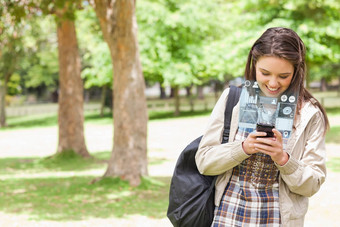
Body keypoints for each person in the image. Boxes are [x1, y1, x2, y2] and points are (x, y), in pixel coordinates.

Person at [195, 27, 329, 227]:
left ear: (296, 71)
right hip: (227, 218)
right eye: (265, 73)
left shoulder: (310, 114)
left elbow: (313, 184)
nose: (273, 83)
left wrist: (283, 159)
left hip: (276, 220)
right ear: (254, 64)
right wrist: (242, 148)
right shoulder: (233, 99)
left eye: (283, 76)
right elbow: (204, 162)